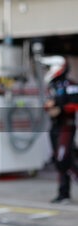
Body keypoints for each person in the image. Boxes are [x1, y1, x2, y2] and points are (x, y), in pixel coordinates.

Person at [42, 55, 78, 204]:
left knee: (64, 159)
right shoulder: (52, 86)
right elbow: (48, 105)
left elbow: (75, 105)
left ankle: (64, 193)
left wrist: (60, 109)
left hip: (67, 126)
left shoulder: (71, 85)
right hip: (55, 126)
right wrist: (49, 108)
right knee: (59, 160)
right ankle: (63, 194)